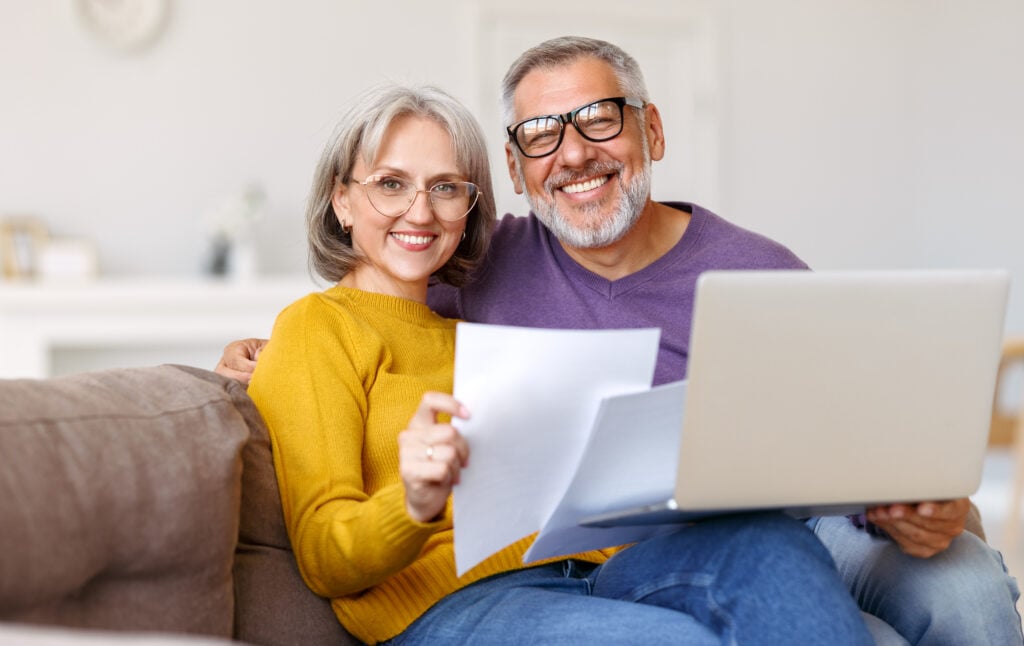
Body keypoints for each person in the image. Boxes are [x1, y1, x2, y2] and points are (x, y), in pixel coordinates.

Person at [221, 37, 1022, 644]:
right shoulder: (451, 284)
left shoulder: (758, 269)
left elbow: (863, 444)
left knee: (910, 579)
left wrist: (927, 505)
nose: (572, 152)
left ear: (652, 132)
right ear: (517, 165)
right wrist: (272, 359)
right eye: (542, 133)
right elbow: (346, 330)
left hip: (705, 542)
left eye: (599, 120)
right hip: (475, 595)